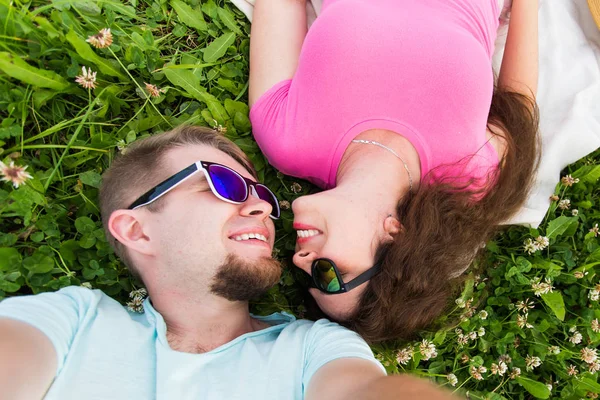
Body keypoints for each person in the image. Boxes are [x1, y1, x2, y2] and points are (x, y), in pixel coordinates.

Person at [0, 126, 457, 399]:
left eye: (262, 195)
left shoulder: (313, 350)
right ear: (137, 230)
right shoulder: (75, 323)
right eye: (223, 184)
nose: (263, 209)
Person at [249, 0, 540, 343]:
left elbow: (281, 6)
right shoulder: (467, 175)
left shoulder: (287, 141)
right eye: (327, 275)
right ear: (395, 237)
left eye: (306, 278)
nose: (301, 262)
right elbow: (518, 105)